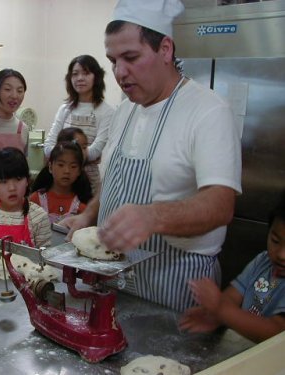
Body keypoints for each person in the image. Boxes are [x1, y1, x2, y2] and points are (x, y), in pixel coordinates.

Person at [62, 0, 242, 311]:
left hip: (175, 290)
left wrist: (153, 216)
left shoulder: (208, 111)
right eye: (113, 60)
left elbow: (221, 204)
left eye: (131, 57)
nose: (120, 72)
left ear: (166, 50)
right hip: (113, 282)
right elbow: (114, 180)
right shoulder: (126, 110)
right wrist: (90, 214)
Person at [179, 192, 285, 343]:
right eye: (275, 240)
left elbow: (276, 333)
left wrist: (222, 310)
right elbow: (232, 296)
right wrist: (216, 317)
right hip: (241, 348)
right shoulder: (263, 261)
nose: (281, 254)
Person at [44, 55, 114, 194]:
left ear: (97, 77)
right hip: (60, 181)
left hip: (89, 180)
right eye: (75, 74)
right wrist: (77, 157)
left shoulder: (107, 111)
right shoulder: (65, 109)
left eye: (86, 73)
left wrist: (61, 156)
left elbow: (94, 152)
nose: (80, 78)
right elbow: (48, 146)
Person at [30, 141, 92, 224]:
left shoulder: (82, 206)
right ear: (50, 167)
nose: (67, 171)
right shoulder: (36, 200)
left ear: (79, 171)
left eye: (73, 166)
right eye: (61, 165)